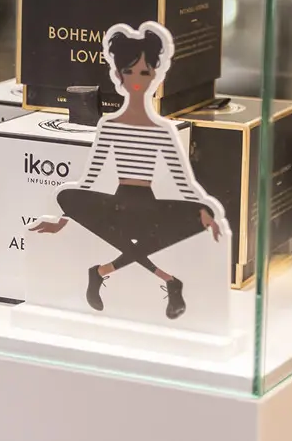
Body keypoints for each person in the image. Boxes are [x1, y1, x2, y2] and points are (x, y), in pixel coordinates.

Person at [30, 22, 226, 320]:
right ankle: (169, 280)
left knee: (200, 214)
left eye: (144, 72)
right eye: (129, 71)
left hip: (149, 205)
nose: (136, 79)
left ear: (156, 75)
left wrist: (204, 210)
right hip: (118, 204)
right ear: (118, 75)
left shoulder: (162, 129)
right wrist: (63, 220)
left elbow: (182, 179)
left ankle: (102, 272)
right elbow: (89, 179)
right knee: (68, 197)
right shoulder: (109, 125)